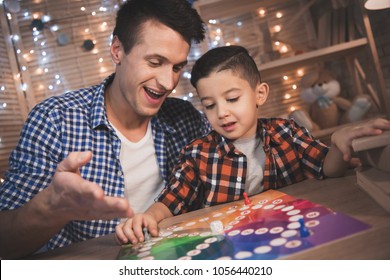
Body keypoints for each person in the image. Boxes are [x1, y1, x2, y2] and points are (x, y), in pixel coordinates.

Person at [115, 45, 390, 245]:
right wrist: (148, 216)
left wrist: (340, 144)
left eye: (232, 99)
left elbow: (327, 166)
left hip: (295, 235)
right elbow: (172, 199)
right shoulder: (197, 154)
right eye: (210, 105)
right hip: (232, 246)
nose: (221, 112)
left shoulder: (286, 132)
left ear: (260, 94)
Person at [0, 0, 211, 259]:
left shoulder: (186, 118)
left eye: (177, 67)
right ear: (117, 50)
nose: (168, 82)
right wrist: (51, 208)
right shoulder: (55, 120)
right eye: (155, 62)